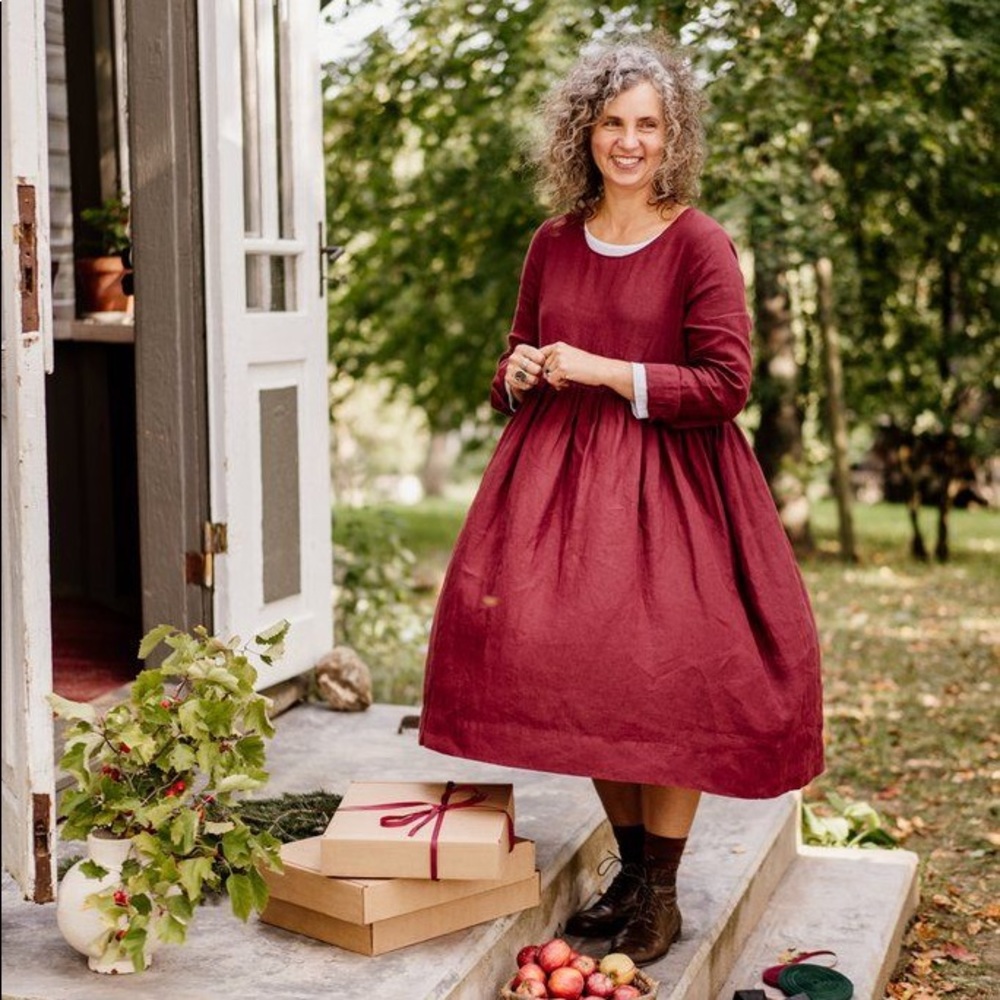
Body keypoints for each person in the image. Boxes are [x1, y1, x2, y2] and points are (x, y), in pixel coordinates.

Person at [418, 34, 824, 966]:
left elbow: (725, 383)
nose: (628, 141)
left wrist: (607, 370)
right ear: (584, 132)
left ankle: (665, 892)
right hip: (558, 500)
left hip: (677, 497)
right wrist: (516, 371)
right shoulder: (552, 241)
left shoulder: (699, 242)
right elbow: (515, 356)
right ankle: (634, 872)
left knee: (664, 681)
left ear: (671, 134)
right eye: (612, 123)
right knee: (584, 675)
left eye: (647, 124)